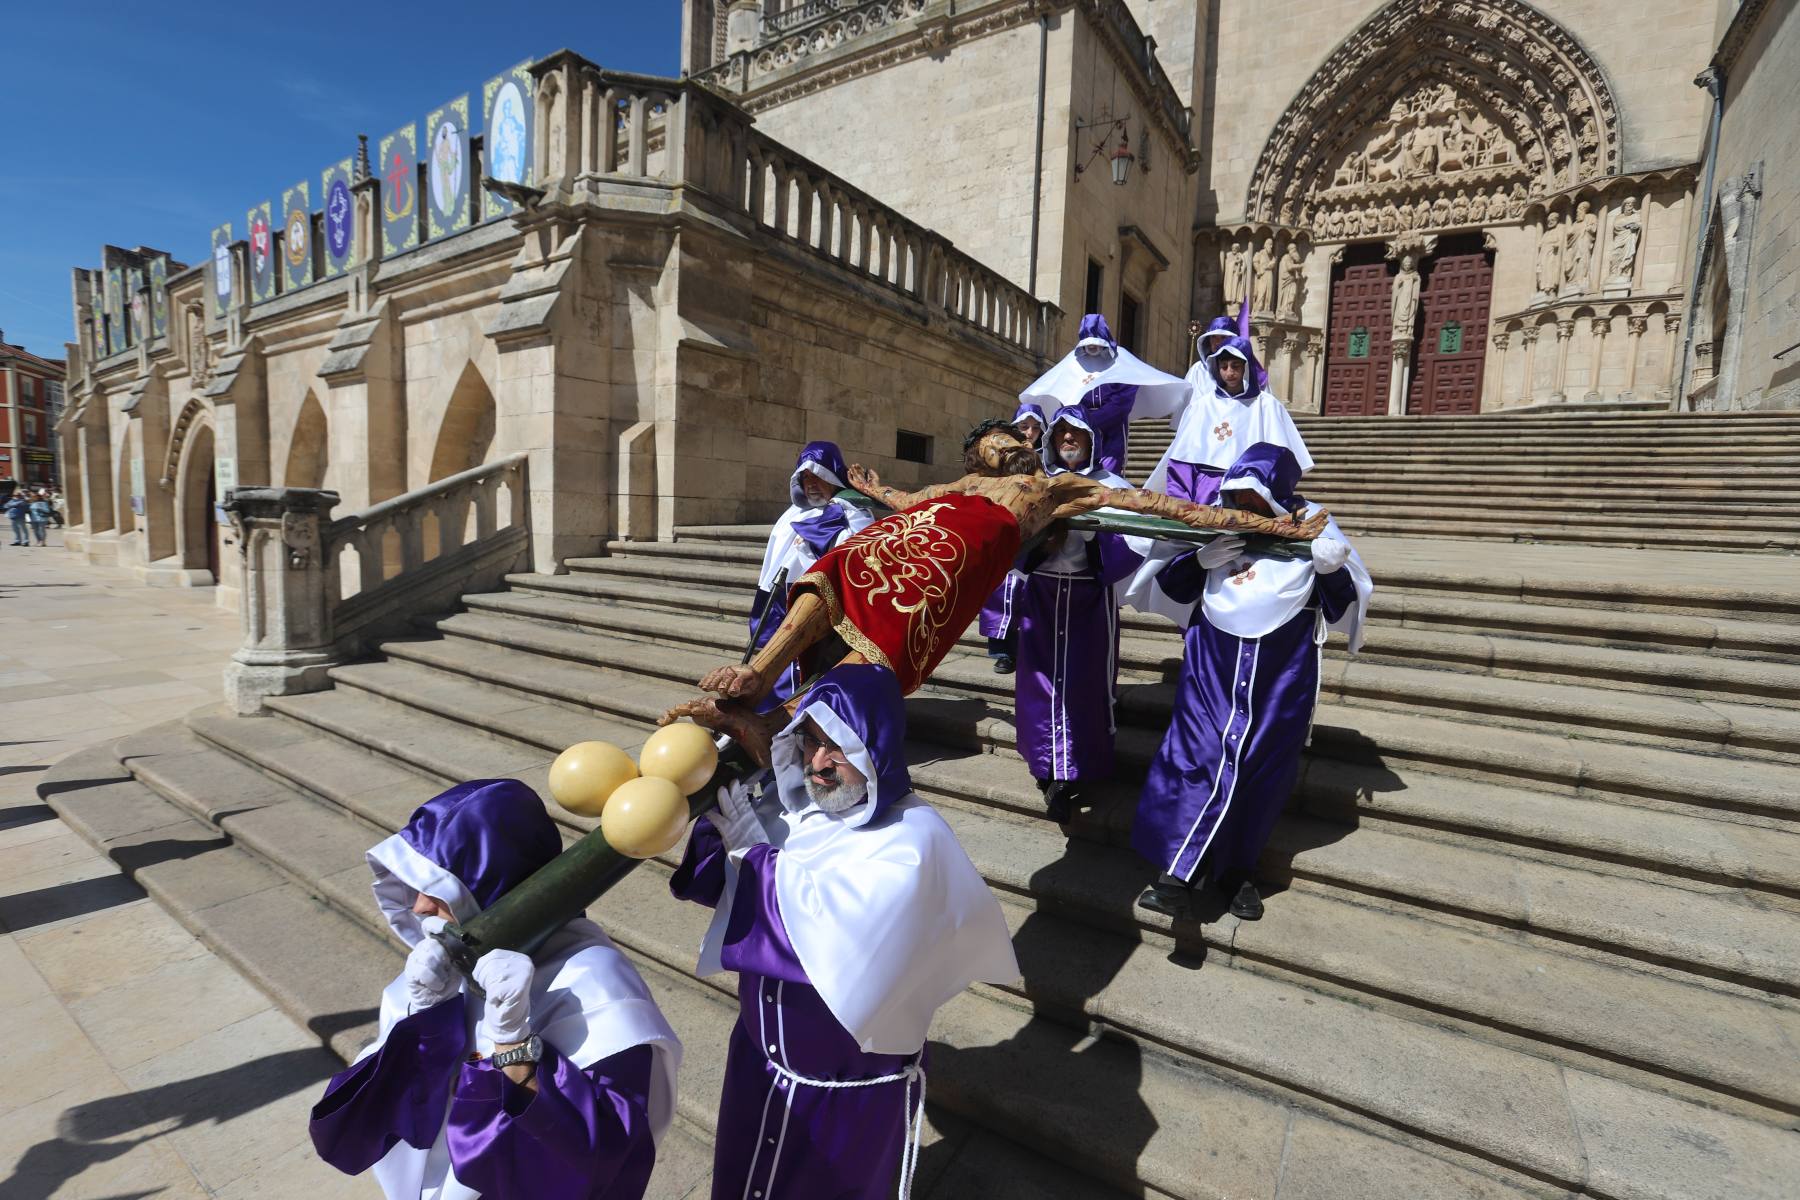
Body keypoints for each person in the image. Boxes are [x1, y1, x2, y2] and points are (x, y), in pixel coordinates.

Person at [661, 420, 1329, 763]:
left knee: (881, 657)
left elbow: (1171, 509)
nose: (1005, 444)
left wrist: (1270, 524)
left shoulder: (1057, 490)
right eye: (991, 441)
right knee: (833, 570)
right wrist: (868, 491)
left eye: (1007, 438)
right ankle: (756, 678)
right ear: (974, 455)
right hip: (901, 544)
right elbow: (905, 499)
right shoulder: (958, 487)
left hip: (951, 572)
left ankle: (777, 723)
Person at [670, 664, 1018, 1199]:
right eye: (811, 743)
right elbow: (730, 888)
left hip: (838, 1098)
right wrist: (734, 841)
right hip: (760, 1068)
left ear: (874, 749)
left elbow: (836, 943)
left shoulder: (914, 843)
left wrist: (757, 861)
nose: (820, 763)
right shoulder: (808, 814)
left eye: (840, 747)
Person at [310, 779, 682, 1199]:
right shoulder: (447, 966)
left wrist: (515, 1048)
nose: (418, 907)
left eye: (437, 887)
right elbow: (366, 1126)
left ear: (495, 887)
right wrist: (426, 1017)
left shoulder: (594, 981)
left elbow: (608, 1155)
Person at [1122, 444, 1371, 922]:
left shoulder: (1312, 527)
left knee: (1257, 772)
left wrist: (1332, 569)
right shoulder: (1217, 525)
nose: (1245, 507)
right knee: (1199, 758)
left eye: (1254, 498)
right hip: (1211, 669)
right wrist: (1199, 560)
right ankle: (1175, 875)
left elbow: (1340, 606)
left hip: (1281, 676)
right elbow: (1172, 587)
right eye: (1237, 496)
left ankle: (1236, 873)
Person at [1014, 406, 1142, 823]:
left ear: (1091, 440)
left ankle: (1078, 766)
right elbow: (1012, 542)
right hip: (1043, 594)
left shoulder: (1112, 487)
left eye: (1076, 434)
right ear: (1051, 440)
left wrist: (1096, 540)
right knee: (1039, 682)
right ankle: (1046, 763)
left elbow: (1136, 548)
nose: (1068, 440)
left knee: (1086, 684)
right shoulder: (1037, 485)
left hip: (1089, 597)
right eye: (1061, 434)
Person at [750, 442, 876, 709]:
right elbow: (773, 564)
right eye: (805, 477)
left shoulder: (852, 512)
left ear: (832, 475)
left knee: (815, 672)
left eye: (818, 475)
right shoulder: (791, 515)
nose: (811, 483)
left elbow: (858, 556)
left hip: (827, 609)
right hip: (783, 602)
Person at [1135, 324, 1314, 505]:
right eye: (1224, 366)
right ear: (1216, 368)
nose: (1229, 372)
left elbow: (1280, 460)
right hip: (1204, 490)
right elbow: (1182, 460)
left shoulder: (1267, 406)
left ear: (1246, 367)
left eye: (1235, 366)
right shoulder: (1201, 407)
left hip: (1246, 492)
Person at [1019, 313, 1190, 476]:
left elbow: (1123, 400)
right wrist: (1079, 422)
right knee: (1079, 470)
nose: (1093, 346)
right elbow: (1064, 391)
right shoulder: (1073, 361)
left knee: (1108, 475)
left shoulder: (1120, 359)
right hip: (1080, 431)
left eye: (1096, 341)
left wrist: (1091, 421)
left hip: (1112, 429)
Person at [977, 402, 1047, 674]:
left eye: (1035, 427)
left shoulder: (1046, 460)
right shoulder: (998, 458)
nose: (1029, 432)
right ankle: (1003, 652)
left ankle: (1028, 649)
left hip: (1033, 537)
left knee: (1028, 596)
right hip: (1003, 534)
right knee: (1000, 594)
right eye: (1023, 427)